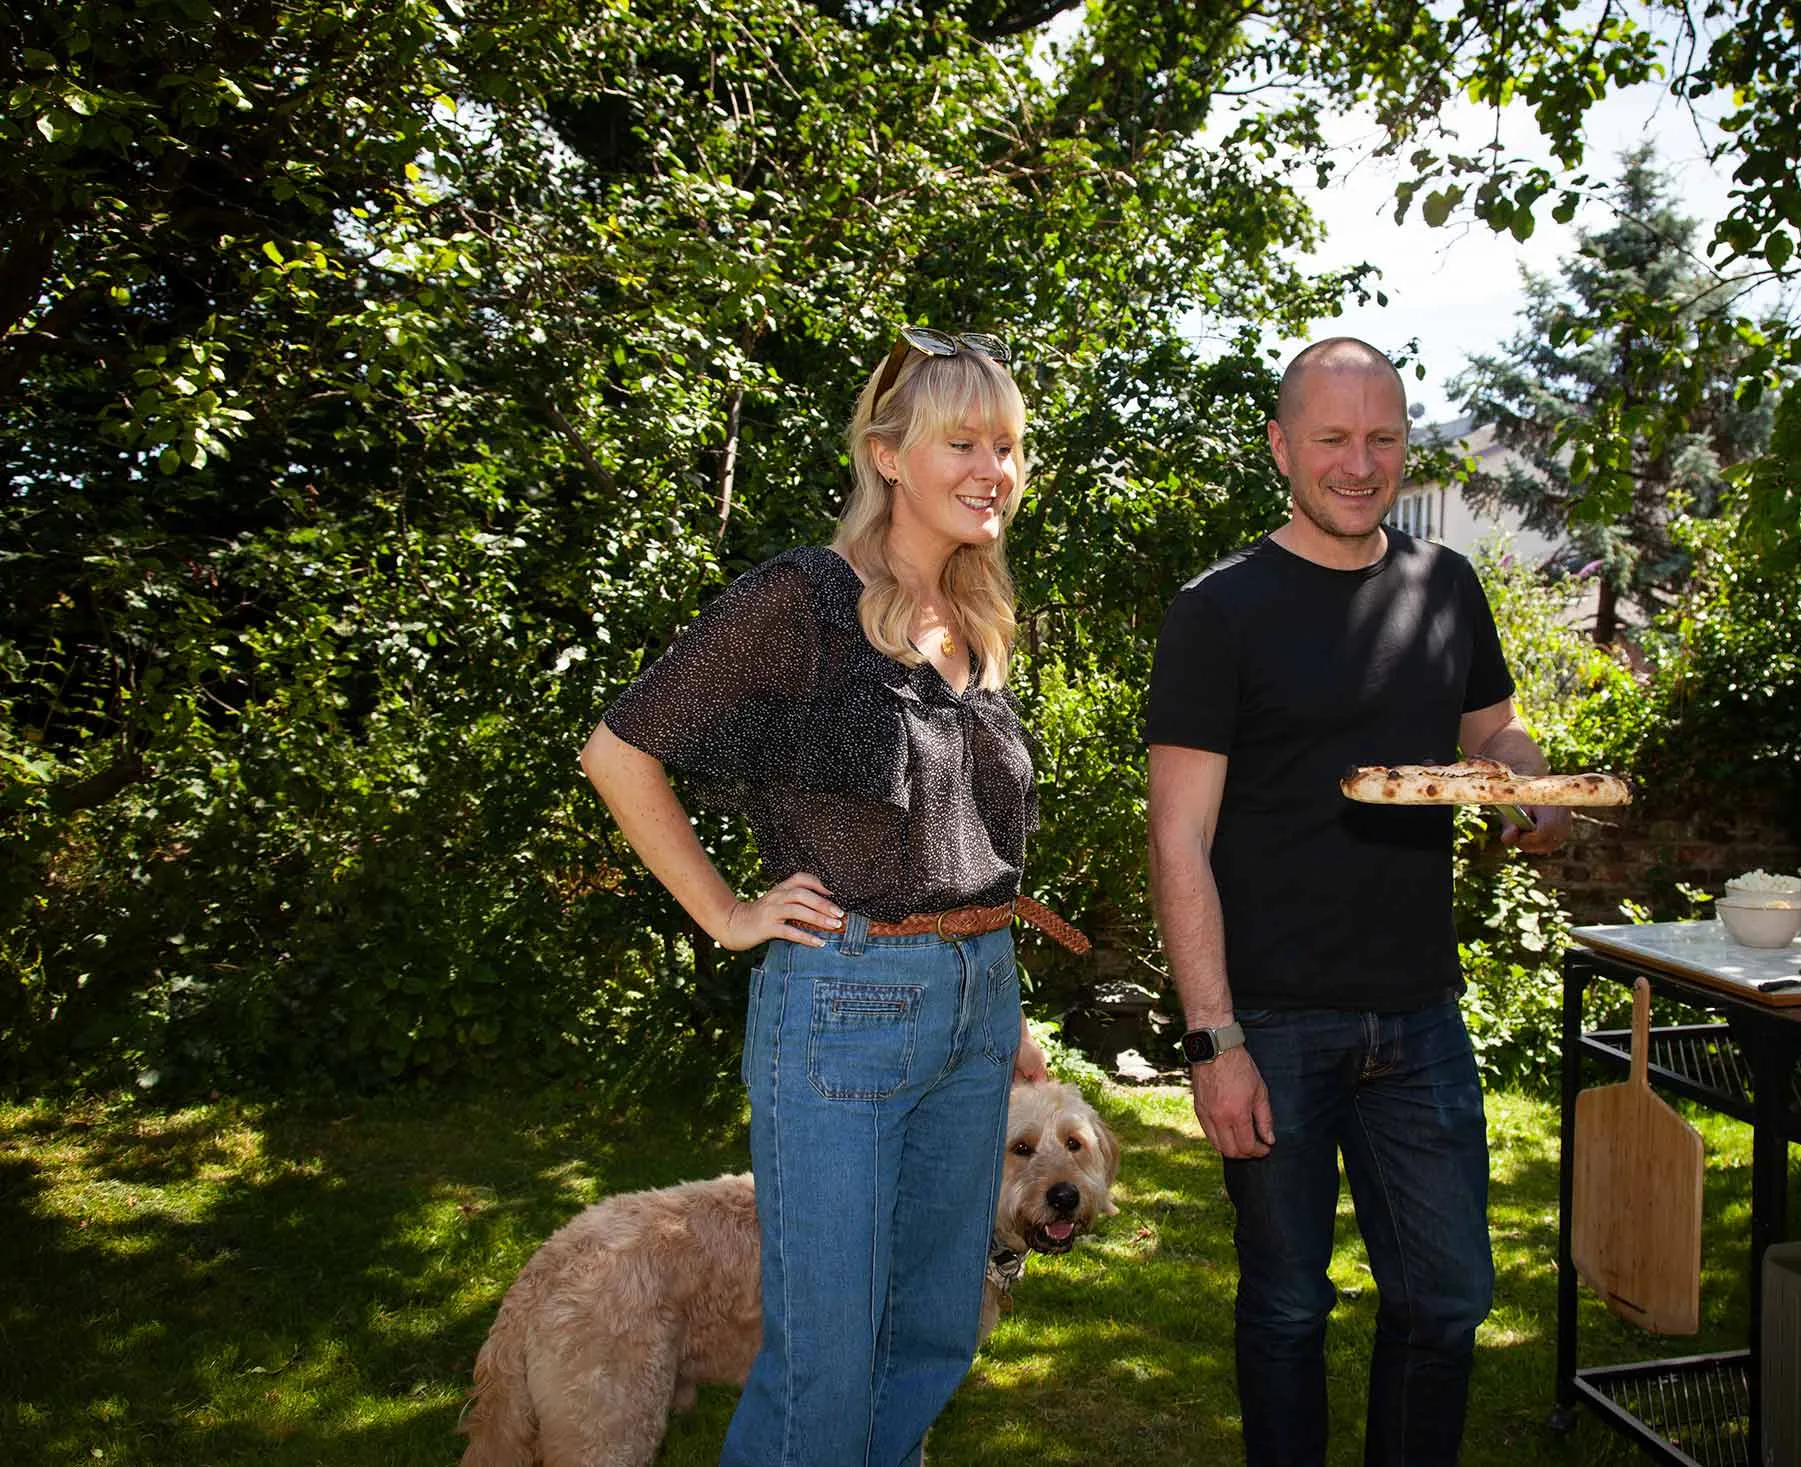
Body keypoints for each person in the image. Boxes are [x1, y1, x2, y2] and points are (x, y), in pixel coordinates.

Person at [580, 326, 1057, 1467]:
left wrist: (995, 996)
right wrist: (726, 911)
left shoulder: (976, 624)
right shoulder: (801, 598)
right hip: (848, 1006)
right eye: (963, 442)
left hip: (976, 1003)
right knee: (825, 1361)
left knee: (938, 1332)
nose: (993, 469)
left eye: (1008, 445)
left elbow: (964, 837)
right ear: (889, 455)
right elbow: (618, 750)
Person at [1144, 337, 1572, 1467]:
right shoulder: (1219, 611)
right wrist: (1211, 1038)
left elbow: (1488, 731)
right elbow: (1177, 837)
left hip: (1419, 1014)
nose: (1358, 462)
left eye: (1382, 438)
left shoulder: (1445, 586)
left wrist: (1528, 786)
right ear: (1283, 446)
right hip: (1273, 1022)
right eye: (1332, 437)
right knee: (1286, 1310)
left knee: (1446, 1302)